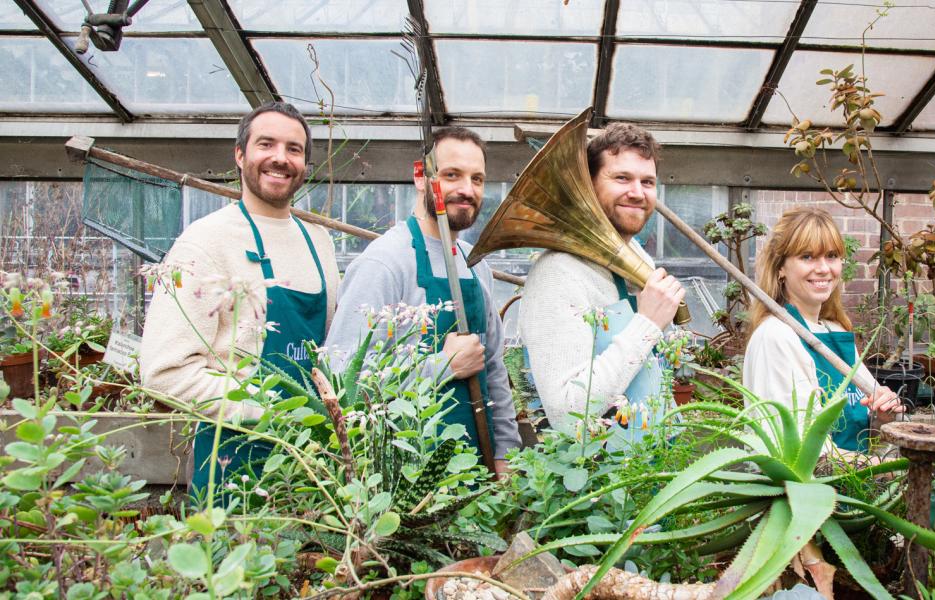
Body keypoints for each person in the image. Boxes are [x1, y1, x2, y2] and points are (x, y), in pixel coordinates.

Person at [140, 101, 340, 498]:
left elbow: (330, 355)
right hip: (234, 467)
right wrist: (263, 411)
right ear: (240, 154)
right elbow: (163, 373)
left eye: (294, 149)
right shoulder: (206, 242)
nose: (280, 159)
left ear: (305, 163)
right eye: (266, 144)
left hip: (315, 466)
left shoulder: (319, 242)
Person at [323, 127, 520, 475]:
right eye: (451, 175)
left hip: (478, 471)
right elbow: (343, 382)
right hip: (403, 479)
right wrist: (443, 366)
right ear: (420, 175)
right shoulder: (383, 263)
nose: (466, 189)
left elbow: (493, 370)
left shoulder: (476, 265)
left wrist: (506, 454)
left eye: (477, 179)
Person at [518, 123, 687, 444]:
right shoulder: (557, 272)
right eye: (622, 178)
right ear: (589, 185)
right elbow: (569, 416)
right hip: (596, 485)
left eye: (647, 182)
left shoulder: (640, 258)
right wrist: (648, 323)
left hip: (653, 469)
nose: (637, 192)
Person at [743, 207, 902, 453]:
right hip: (807, 489)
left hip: (851, 482)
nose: (823, 268)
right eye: (807, 256)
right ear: (781, 268)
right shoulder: (776, 336)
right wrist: (890, 470)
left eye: (831, 256)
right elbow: (803, 455)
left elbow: (865, 426)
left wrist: (883, 415)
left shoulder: (832, 330)